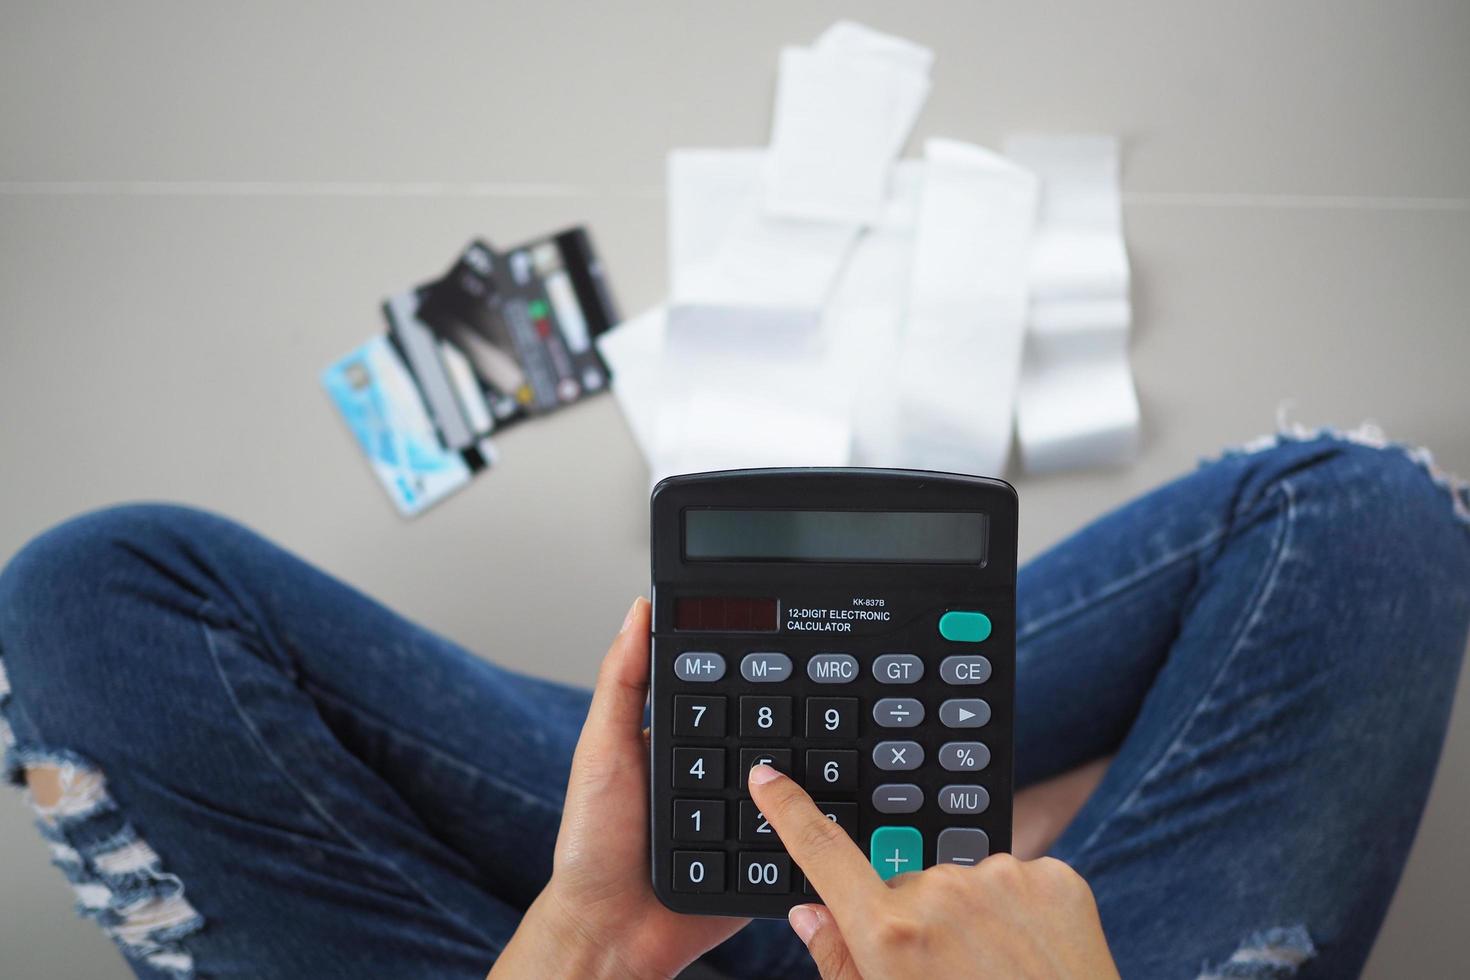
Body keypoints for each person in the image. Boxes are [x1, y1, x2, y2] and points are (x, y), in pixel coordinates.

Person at [0, 430, 1467, 979]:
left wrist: (586, 936)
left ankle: (846, 761)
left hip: (650, 935)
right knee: (1360, 508)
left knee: (88, 597)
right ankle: (919, 782)